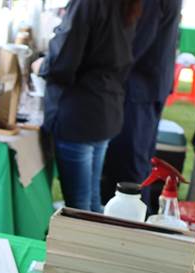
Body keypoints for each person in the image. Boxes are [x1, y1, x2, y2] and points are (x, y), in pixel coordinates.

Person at [33, 0, 141, 213]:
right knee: (91, 199)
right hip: (104, 106)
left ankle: (86, 245)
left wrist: (41, 66)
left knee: (79, 206)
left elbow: (64, 60)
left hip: (80, 112)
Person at [101, 0, 183, 214]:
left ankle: (131, 227)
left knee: (129, 166)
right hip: (147, 83)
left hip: (139, 87)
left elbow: (135, 43)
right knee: (136, 163)